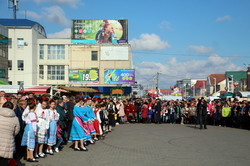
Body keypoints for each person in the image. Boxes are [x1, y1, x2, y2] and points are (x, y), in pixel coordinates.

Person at [0, 102, 20, 166]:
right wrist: (11, 134)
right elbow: (16, 131)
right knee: (4, 161)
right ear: (12, 108)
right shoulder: (15, 118)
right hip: (8, 141)